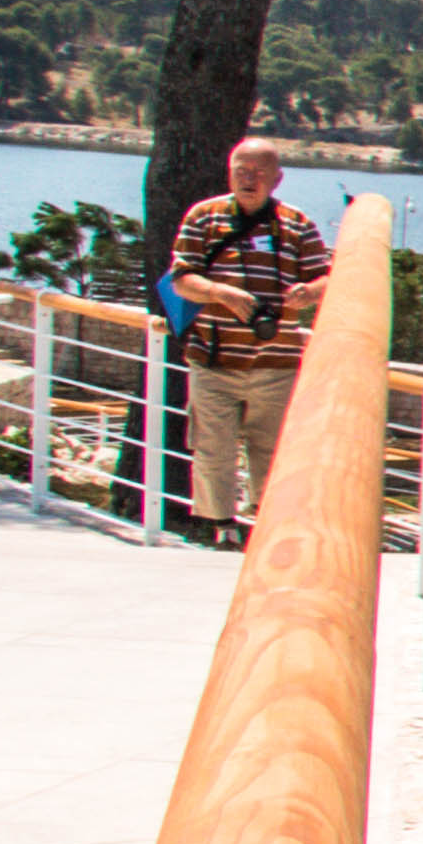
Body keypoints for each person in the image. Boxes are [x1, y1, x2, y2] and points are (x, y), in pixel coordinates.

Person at [166, 135, 333, 541]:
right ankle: (220, 529)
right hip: (213, 359)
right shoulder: (203, 217)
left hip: (276, 364)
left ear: (277, 178)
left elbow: (328, 279)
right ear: (230, 173)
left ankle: (265, 532)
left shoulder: (297, 224)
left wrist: (308, 292)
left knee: (273, 453)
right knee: (212, 450)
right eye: (241, 171)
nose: (249, 179)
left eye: (259, 172)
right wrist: (221, 293)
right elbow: (181, 279)